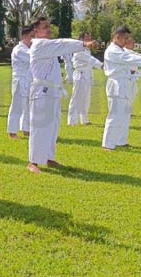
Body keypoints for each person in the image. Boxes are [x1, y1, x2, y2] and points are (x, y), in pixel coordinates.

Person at [27, 17, 99, 173]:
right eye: (45, 27)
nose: (49, 29)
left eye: (49, 26)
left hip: (53, 91)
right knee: (40, 126)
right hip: (41, 91)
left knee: (53, 126)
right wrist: (83, 44)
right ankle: (33, 162)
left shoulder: (48, 47)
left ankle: (48, 158)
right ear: (36, 31)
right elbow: (62, 44)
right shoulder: (40, 45)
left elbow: (61, 49)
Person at [102, 27, 141, 151]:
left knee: (125, 115)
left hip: (125, 84)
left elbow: (133, 56)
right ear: (117, 37)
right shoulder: (112, 50)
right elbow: (129, 58)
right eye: (125, 38)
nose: (127, 40)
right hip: (116, 84)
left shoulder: (121, 50)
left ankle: (121, 141)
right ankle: (107, 144)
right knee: (115, 115)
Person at [67, 31, 103, 126]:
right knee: (77, 98)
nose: (89, 40)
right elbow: (90, 59)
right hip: (80, 74)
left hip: (87, 74)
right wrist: (101, 65)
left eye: (89, 38)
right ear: (81, 39)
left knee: (86, 98)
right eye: (86, 38)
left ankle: (85, 119)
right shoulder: (78, 49)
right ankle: (72, 121)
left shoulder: (87, 50)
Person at [7, 25, 33, 138]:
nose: (33, 39)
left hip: (29, 80)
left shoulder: (29, 49)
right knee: (16, 106)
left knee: (28, 105)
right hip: (19, 80)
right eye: (32, 36)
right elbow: (32, 58)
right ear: (24, 36)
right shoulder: (19, 49)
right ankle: (12, 131)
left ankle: (27, 129)